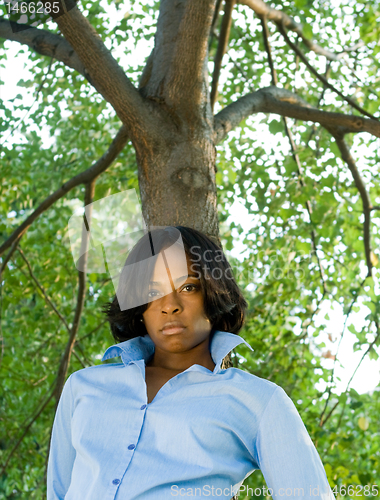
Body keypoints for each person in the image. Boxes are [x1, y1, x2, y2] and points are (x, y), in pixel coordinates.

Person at [47, 226, 335, 500]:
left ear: (213, 294)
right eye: (152, 291)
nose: (169, 304)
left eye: (188, 287)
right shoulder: (83, 387)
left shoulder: (258, 401)